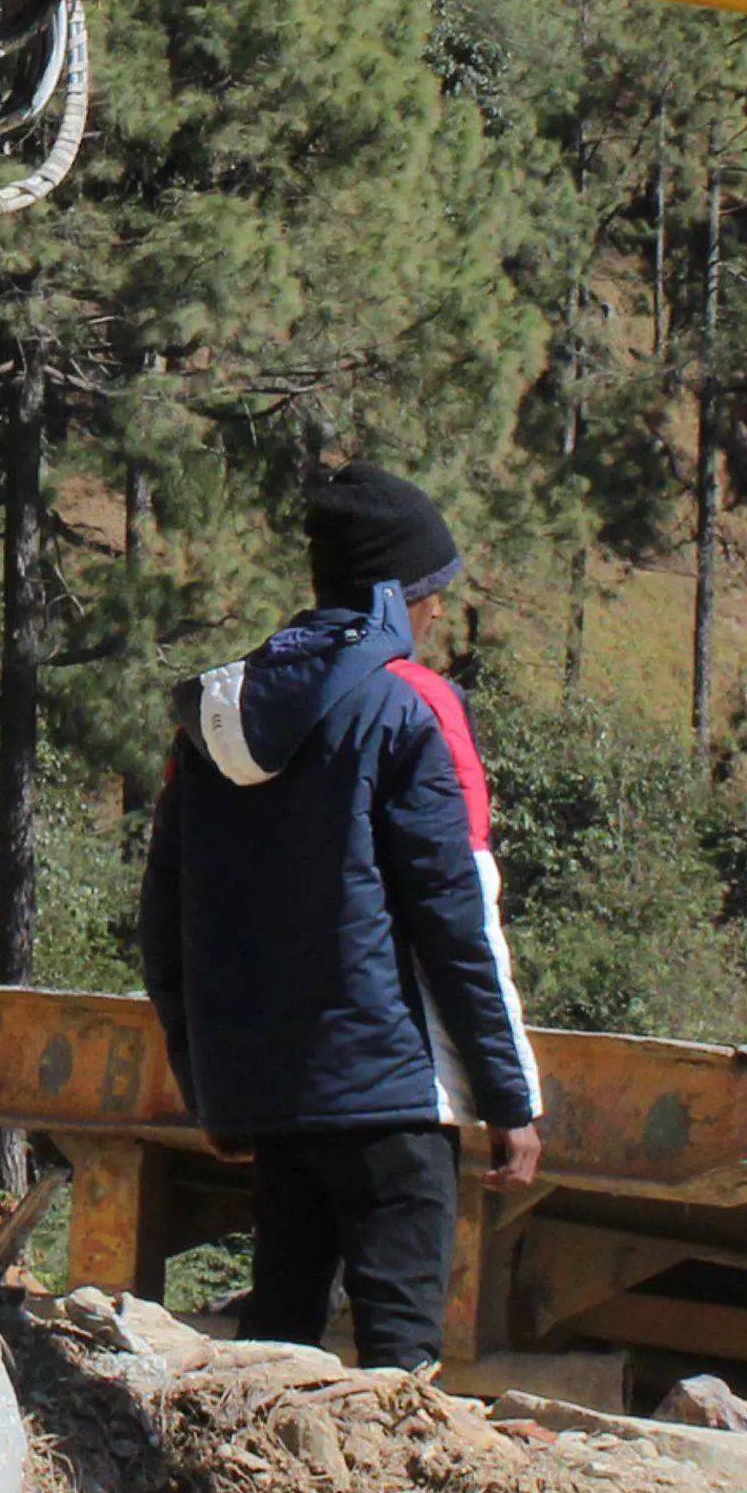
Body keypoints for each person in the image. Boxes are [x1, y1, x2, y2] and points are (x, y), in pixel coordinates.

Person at [136, 464, 545, 1370]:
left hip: (278, 1107)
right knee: (399, 1362)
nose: (437, 617)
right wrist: (510, 1100)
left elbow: (165, 924)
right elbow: (455, 921)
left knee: (277, 1343)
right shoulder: (404, 713)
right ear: (400, 598)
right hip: (391, 1099)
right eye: (433, 596)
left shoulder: (213, 724)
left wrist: (210, 1084)